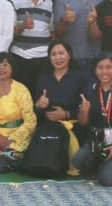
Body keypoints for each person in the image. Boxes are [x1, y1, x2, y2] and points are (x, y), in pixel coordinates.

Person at [71, 55, 112, 186]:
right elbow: (83, 122)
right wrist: (84, 110)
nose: (104, 71)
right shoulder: (90, 89)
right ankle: (101, 163)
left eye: (108, 67)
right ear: (95, 70)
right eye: (100, 68)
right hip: (97, 140)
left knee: (107, 180)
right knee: (78, 161)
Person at [32, 40, 85, 170]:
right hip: (48, 128)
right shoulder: (43, 78)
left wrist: (66, 114)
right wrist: (39, 104)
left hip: (73, 128)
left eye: (61, 53)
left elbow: (86, 108)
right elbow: (34, 109)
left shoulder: (80, 77)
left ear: (69, 55)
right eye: (53, 54)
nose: (58, 58)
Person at [0, 52, 37, 162]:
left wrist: (9, 139)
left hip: (15, 142)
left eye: (6, 65)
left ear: (12, 68)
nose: (1, 68)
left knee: (2, 160)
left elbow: (31, 122)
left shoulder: (21, 89)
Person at [53, 0, 103, 84]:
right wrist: (64, 20)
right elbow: (58, 33)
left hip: (97, 58)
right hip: (74, 59)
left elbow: (103, 30)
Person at [8, 0, 54, 94]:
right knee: (21, 95)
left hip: (43, 57)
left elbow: (51, 31)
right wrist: (23, 25)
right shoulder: (12, 2)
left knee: (41, 94)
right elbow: (8, 33)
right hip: (20, 56)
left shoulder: (48, 2)